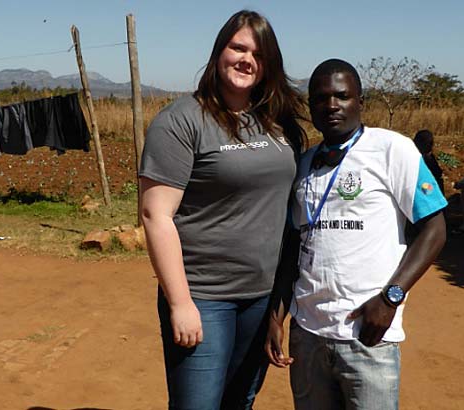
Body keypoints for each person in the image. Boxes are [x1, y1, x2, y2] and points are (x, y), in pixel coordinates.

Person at [138, 10, 305, 410]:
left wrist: (279, 307)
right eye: (238, 47)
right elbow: (155, 215)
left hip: (260, 297)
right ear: (219, 53)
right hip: (204, 297)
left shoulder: (275, 122)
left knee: (240, 401)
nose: (247, 59)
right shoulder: (181, 121)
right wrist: (180, 304)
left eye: (258, 54)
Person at [265, 59, 447, 410]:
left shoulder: (392, 150)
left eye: (342, 96)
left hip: (369, 337)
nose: (331, 105)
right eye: (320, 98)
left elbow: (435, 229)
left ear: (360, 102)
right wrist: (278, 316)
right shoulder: (303, 164)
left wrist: (391, 297)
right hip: (309, 335)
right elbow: (293, 247)